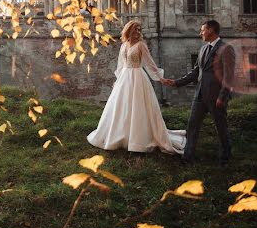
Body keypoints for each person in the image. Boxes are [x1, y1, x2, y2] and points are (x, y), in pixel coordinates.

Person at [87, 20, 186, 154]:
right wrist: (118, 80)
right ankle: (121, 135)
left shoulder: (141, 45)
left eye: (139, 30)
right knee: (121, 106)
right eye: (135, 29)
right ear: (129, 30)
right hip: (124, 78)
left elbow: (149, 64)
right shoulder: (123, 45)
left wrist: (160, 78)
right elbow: (121, 65)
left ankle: (139, 138)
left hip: (138, 77)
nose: (138, 32)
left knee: (138, 107)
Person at [162, 20, 235, 165]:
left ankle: (225, 159)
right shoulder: (202, 49)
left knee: (221, 128)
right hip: (200, 95)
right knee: (192, 125)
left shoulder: (226, 49)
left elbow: (229, 76)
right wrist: (176, 82)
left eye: (202, 30)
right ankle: (188, 158)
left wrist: (222, 97)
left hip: (216, 97)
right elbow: (195, 73)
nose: (200, 33)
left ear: (211, 30)